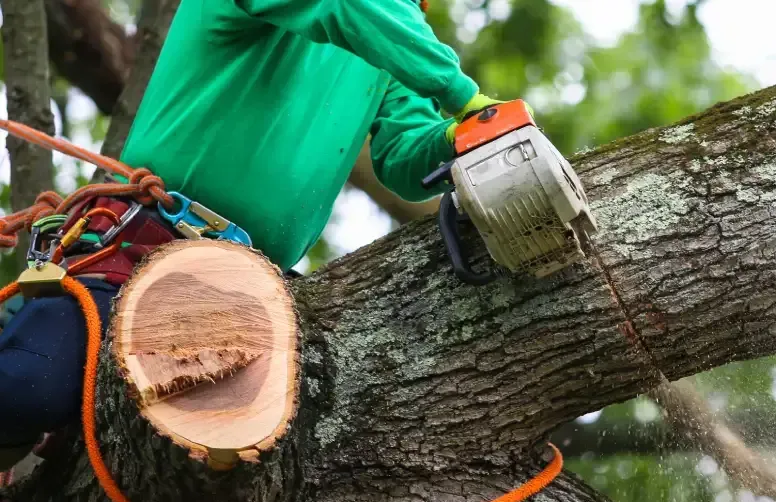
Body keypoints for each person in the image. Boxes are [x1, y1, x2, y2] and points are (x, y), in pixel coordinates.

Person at [0, 0, 528, 475]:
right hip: (140, 245)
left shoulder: (395, 32)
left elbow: (403, 157)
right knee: (28, 388)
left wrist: (467, 136)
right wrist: (467, 98)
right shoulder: (370, 15)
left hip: (246, 290)